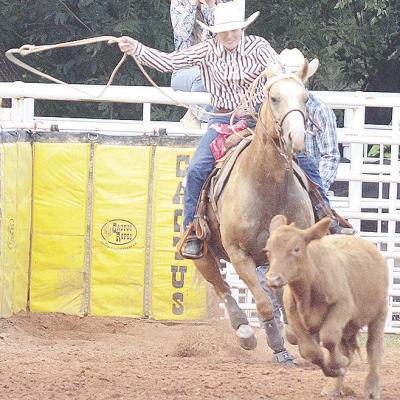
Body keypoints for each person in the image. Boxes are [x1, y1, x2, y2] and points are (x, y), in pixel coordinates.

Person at [114, 0, 284, 260]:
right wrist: (136, 48)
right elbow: (169, 62)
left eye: (233, 30)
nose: (228, 36)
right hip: (222, 120)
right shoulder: (206, 51)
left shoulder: (259, 47)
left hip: (257, 119)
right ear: (215, 32)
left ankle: (323, 209)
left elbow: (277, 71)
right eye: (223, 31)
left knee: (297, 155)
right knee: (196, 170)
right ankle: (192, 229)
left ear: (242, 29)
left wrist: (274, 74)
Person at [170, 0, 220, 128]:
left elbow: (223, 37)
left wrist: (210, 6)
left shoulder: (219, 5)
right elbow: (182, 34)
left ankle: (193, 116)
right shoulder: (180, 4)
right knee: (203, 74)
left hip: (216, 72)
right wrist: (193, 4)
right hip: (183, 71)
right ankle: (206, 120)